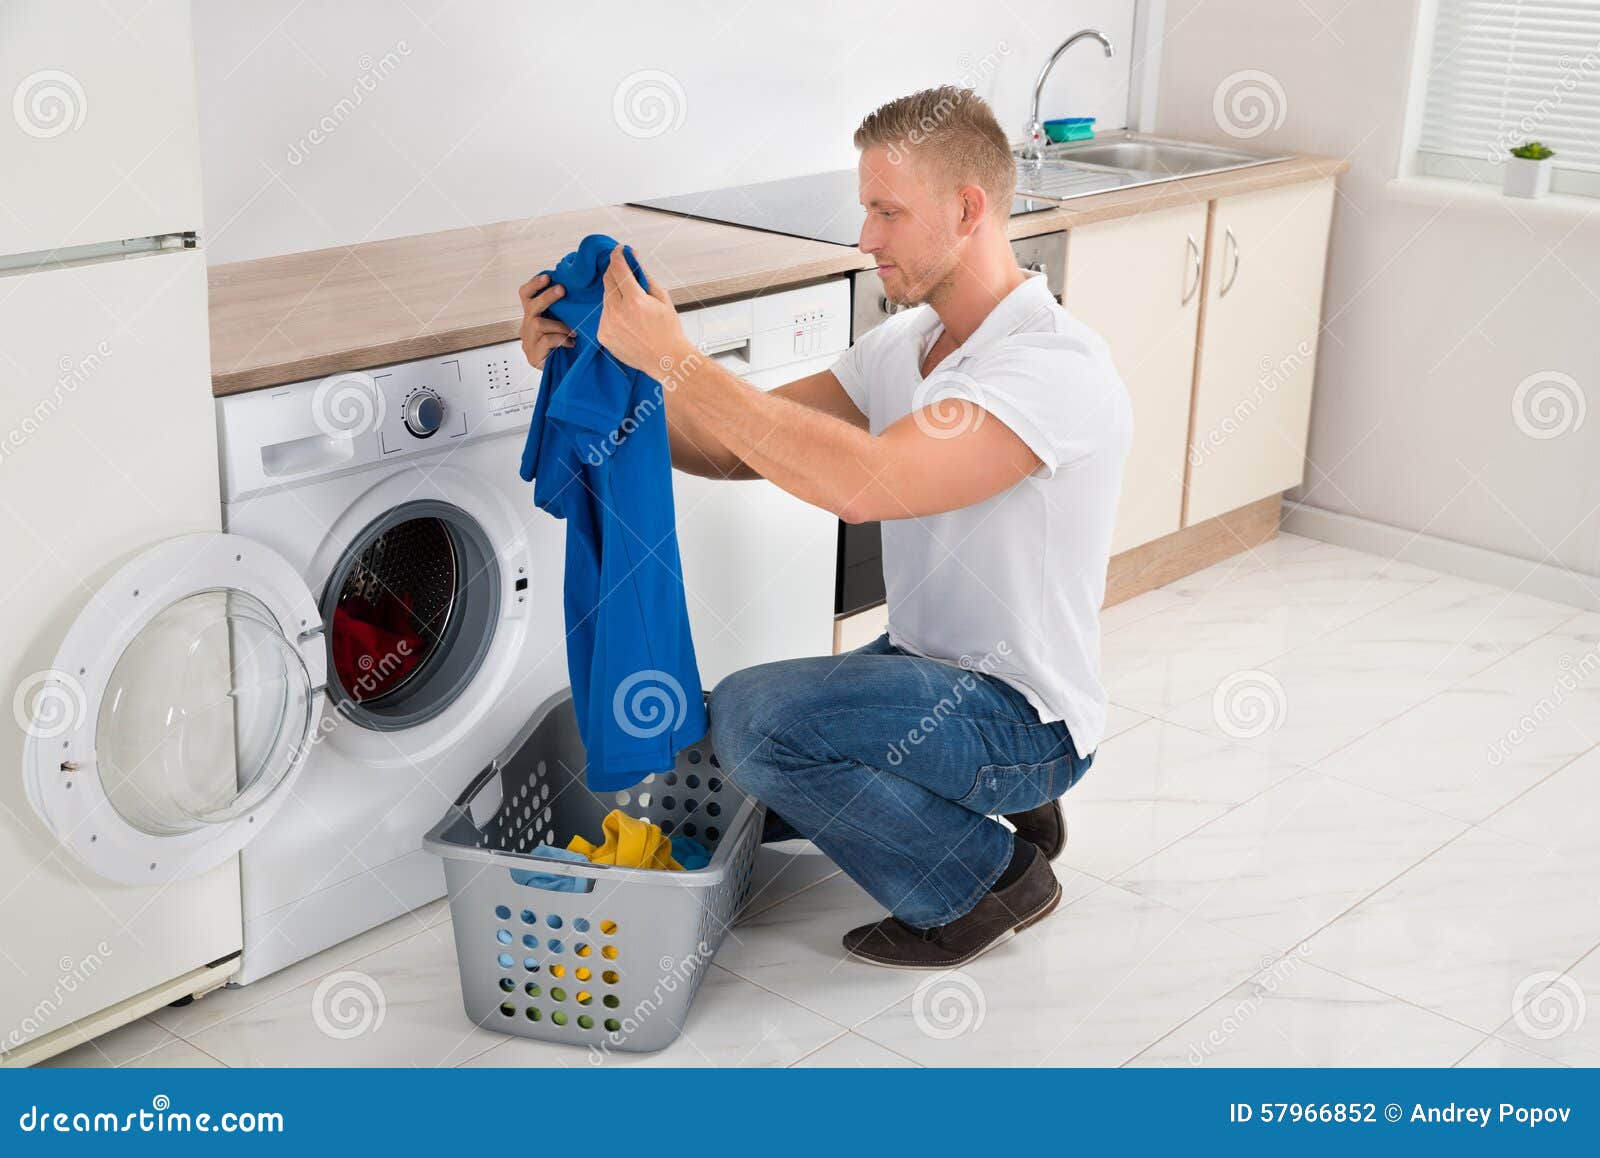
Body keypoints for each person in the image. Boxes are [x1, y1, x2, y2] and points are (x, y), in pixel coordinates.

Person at [517, 85, 1132, 968]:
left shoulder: (1047, 368)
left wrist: (679, 358)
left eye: (887, 211)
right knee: (722, 747)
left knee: (761, 725)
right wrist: (596, 364)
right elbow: (734, 448)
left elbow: (864, 484)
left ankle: (988, 876)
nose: (866, 238)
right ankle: (995, 808)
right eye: (864, 210)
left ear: (966, 211)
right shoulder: (908, 345)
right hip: (931, 671)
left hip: (1024, 714)